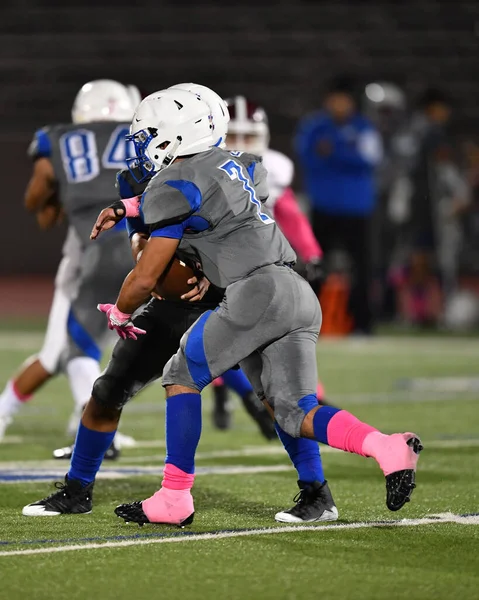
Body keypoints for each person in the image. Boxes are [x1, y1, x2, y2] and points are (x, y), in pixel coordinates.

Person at [24, 86, 421, 527]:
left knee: (249, 394)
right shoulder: (189, 174)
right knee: (109, 391)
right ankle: (78, 487)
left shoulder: (205, 173)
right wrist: (135, 214)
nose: (138, 145)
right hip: (202, 297)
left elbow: (172, 243)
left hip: (234, 294)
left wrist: (134, 300)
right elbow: (149, 246)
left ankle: (271, 492)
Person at [0, 80, 140, 456]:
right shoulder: (139, 137)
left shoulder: (60, 140)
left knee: (83, 350)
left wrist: (61, 201)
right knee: (63, 353)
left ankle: (88, 420)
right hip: (124, 256)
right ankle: (84, 421)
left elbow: (41, 202)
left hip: (90, 254)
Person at [212, 96, 331, 431]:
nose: (238, 145)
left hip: (263, 265)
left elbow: (290, 214)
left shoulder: (272, 168)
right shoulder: (201, 169)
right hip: (218, 265)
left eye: (247, 137)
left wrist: (311, 252)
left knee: (278, 335)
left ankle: (297, 397)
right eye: (231, 136)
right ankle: (244, 396)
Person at [295, 77, 383, 334]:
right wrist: (348, 153)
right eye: (335, 99)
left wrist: (334, 152)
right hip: (324, 206)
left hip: (358, 209)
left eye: (343, 99)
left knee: (362, 268)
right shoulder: (314, 127)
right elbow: (309, 158)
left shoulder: (365, 127)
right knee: (314, 265)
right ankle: (306, 324)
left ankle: (363, 325)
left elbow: (371, 159)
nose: (339, 105)